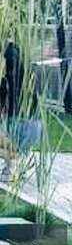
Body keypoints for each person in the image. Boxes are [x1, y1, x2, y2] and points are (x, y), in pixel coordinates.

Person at [0, 43, 40, 182]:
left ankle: (13, 163)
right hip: (34, 124)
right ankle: (17, 163)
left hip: (20, 126)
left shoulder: (6, 59)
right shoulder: (17, 55)